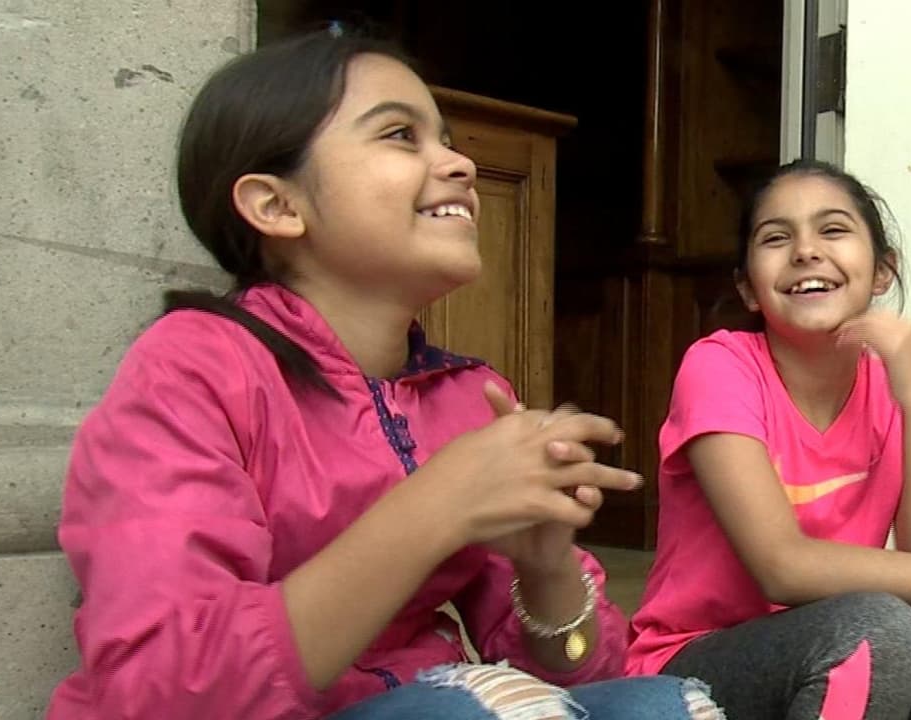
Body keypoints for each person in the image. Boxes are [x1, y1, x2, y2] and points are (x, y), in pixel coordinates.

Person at [46, 28, 721, 720]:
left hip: (433, 702)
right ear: (277, 206)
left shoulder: (469, 396)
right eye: (401, 135)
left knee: (659, 706)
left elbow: (584, 674)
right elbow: (169, 688)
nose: (460, 163)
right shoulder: (192, 368)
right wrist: (437, 505)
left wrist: (545, 565)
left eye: (447, 140)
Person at [626, 159, 911, 720]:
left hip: (837, 644)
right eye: (776, 238)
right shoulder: (719, 368)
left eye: (833, 229)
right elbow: (781, 567)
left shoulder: (888, 386)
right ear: (749, 289)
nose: (805, 251)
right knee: (873, 628)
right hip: (696, 665)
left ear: (882, 272)